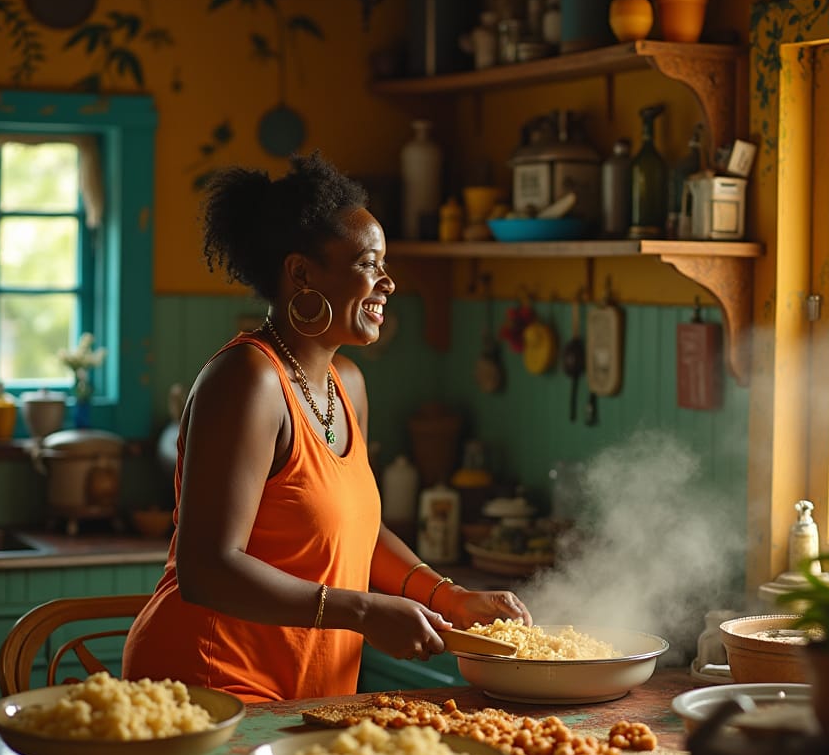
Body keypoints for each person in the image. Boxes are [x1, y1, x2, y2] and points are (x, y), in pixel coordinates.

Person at [122, 151, 532, 703]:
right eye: (367, 264)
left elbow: (355, 533)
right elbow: (207, 569)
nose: (386, 283)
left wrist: (450, 597)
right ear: (301, 273)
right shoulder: (248, 380)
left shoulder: (348, 383)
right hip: (213, 682)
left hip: (309, 691)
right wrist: (361, 610)